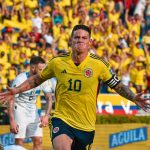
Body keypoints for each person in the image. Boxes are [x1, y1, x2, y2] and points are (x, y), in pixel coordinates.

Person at [0, 25, 150, 150]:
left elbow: (117, 86)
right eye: (76, 37)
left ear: (90, 41)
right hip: (61, 119)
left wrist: (133, 97)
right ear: (71, 40)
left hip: (86, 125)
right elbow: (37, 79)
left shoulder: (99, 65)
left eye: (84, 38)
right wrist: (16, 90)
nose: (80, 40)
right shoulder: (58, 62)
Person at [7, 56, 54, 150]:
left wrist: (46, 115)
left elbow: (49, 98)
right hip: (19, 111)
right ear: (32, 68)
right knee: (19, 142)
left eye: (44, 69)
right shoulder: (20, 79)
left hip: (33, 111)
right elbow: (11, 100)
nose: (43, 71)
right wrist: (12, 121)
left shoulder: (43, 79)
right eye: (40, 69)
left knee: (38, 140)